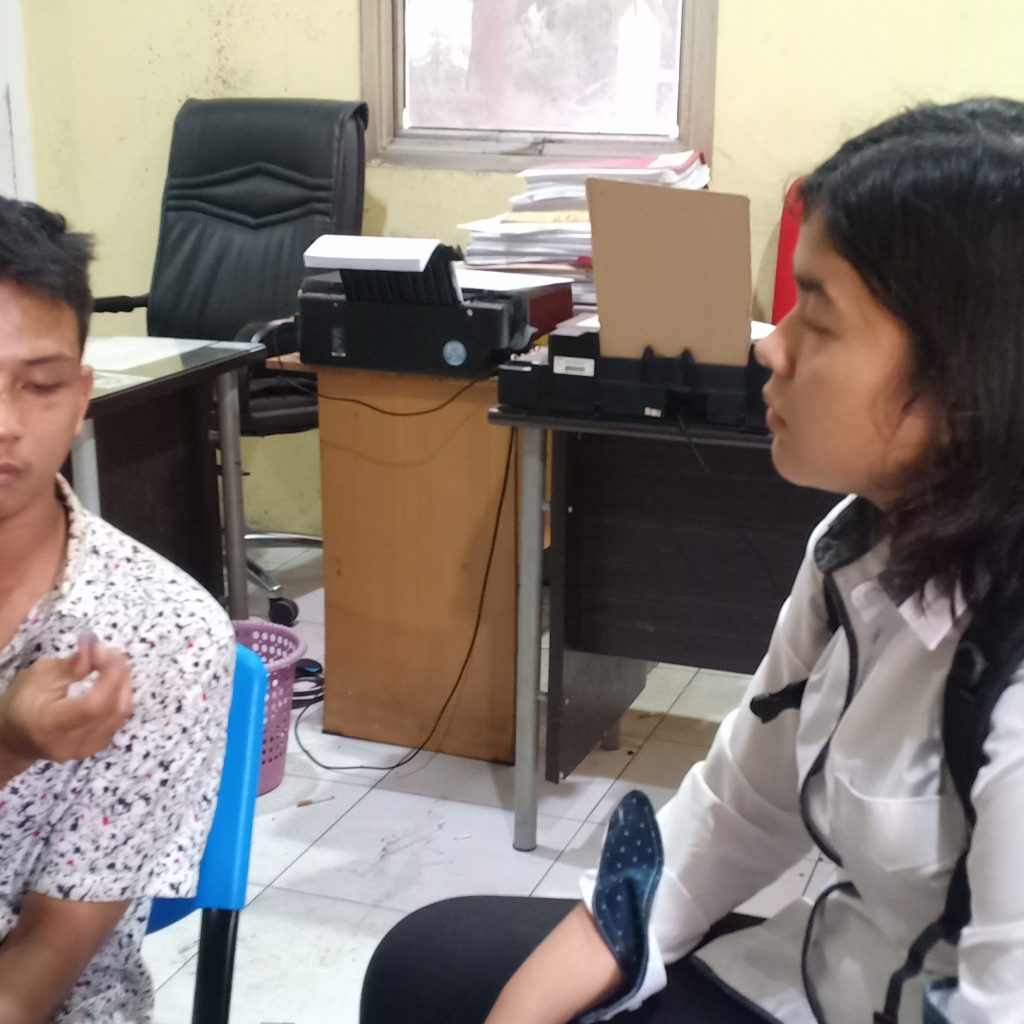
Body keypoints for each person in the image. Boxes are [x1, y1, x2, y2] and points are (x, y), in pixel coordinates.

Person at [359, 98, 1024, 1024]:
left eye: (818, 317)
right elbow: (737, 809)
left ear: (968, 375)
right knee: (429, 968)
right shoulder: (858, 547)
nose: (770, 344)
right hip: (832, 976)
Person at [0, 196, 235, 1023]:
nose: (5, 424)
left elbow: (40, 969)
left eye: (40, 386)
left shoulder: (159, 636)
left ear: (81, 397)